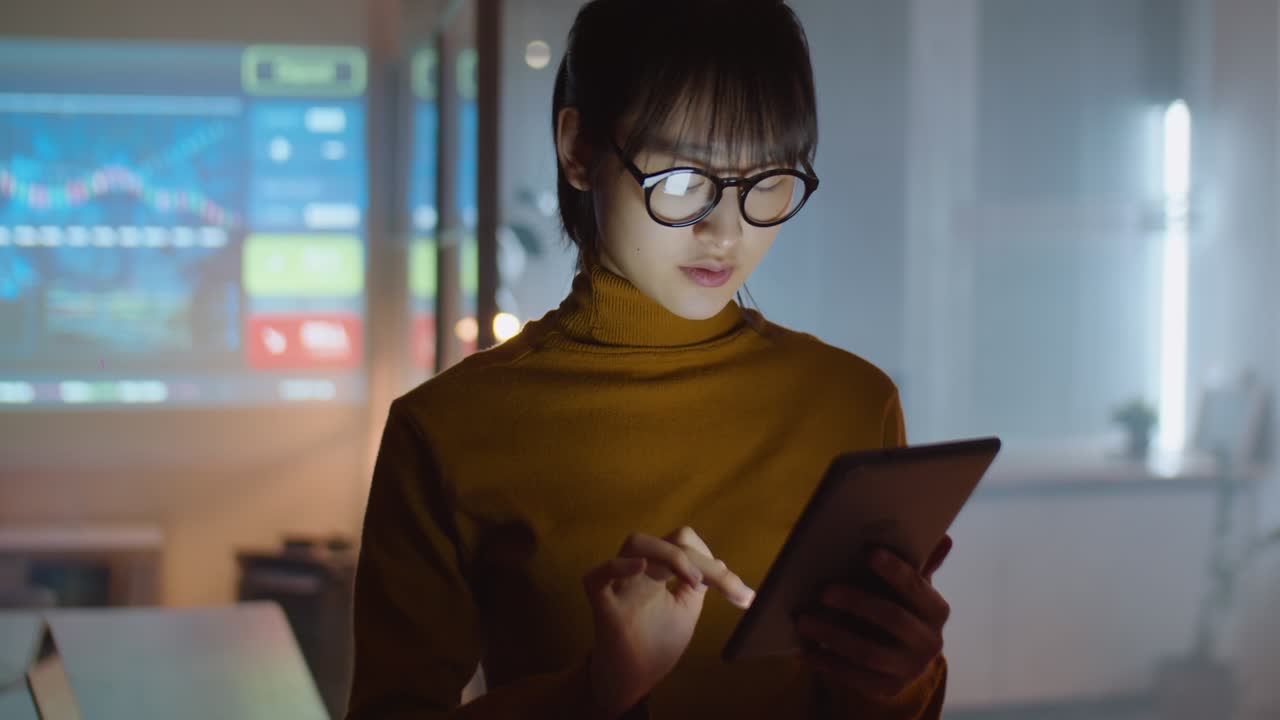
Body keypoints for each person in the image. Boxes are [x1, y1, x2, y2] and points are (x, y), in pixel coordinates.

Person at [346, 1, 953, 717]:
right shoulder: (445, 430)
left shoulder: (852, 402)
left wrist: (900, 674)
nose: (726, 231)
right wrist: (595, 691)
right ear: (579, 149)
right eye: (683, 179)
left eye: (768, 181)